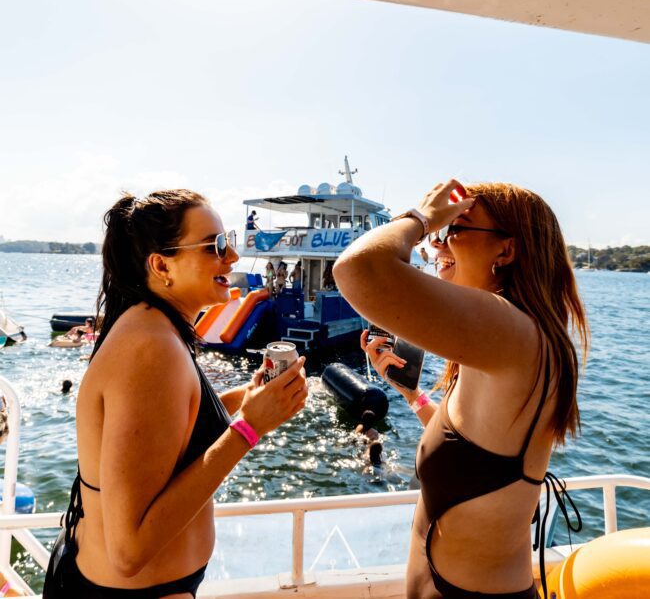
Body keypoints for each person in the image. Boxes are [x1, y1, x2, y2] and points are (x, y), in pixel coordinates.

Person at [43, 190, 308, 599]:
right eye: (215, 246)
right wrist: (250, 428)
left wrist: (248, 398)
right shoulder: (151, 350)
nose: (233, 257)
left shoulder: (156, 330)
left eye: (230, 240)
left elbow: (173, 431)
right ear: (161, 265)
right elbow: (129, 551)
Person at [334, 179, 587, 599]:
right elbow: (479, 459)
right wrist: (412, 396)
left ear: (505, 251)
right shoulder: (509, 341)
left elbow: (356, 270)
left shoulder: (514, 332)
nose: (435, 247)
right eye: (438, 233)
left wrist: (421, 216)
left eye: (453, 229)